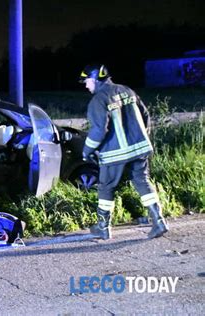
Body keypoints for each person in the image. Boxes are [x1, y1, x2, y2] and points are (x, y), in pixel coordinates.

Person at [79, 64, 169, 240]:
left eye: (87, 81)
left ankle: (103, 228)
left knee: (106, 187)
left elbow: (99, 130)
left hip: (115, 153)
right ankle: (159, 221)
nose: (85, 85)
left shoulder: (99, 100)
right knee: (142, 181)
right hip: (139, 149)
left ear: (96, 79)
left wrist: (87, 151)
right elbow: (145, 115)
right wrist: (143, 138)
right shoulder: (127, 90)